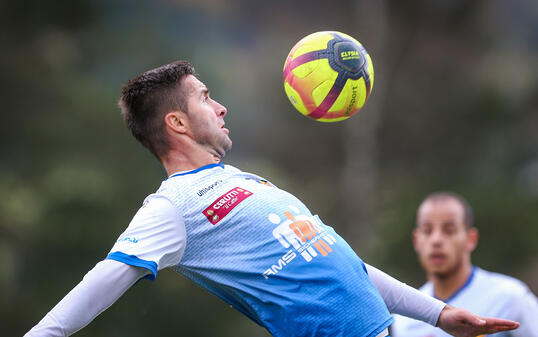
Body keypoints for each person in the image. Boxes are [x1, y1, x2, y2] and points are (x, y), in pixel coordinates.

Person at [25, 61, 519, 337]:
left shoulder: (249, 182)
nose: (220, 106)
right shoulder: (172, 206)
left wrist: (435, 314)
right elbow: (105, 277)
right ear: (175, 122)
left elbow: (342, 262)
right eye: (203, 96)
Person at [392, 192, 538, 337]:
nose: (436, 240)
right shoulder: (405, 316)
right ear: (416, 240)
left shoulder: (511, 298)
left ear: (471, 239)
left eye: (449, 231)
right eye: (427, 231)